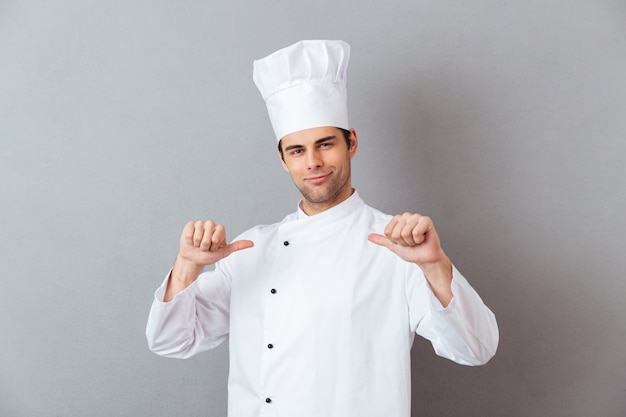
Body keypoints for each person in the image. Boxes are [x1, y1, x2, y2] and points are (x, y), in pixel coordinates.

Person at [146, 39, 498, 417]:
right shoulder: (252, 249)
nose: (313, 162)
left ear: (352, 144)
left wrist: (433, 265)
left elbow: (476, 348)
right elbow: (171, 342)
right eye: (297, 150)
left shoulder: (396, 246)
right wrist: (187, 266)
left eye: (325, 144)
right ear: (283, 160)